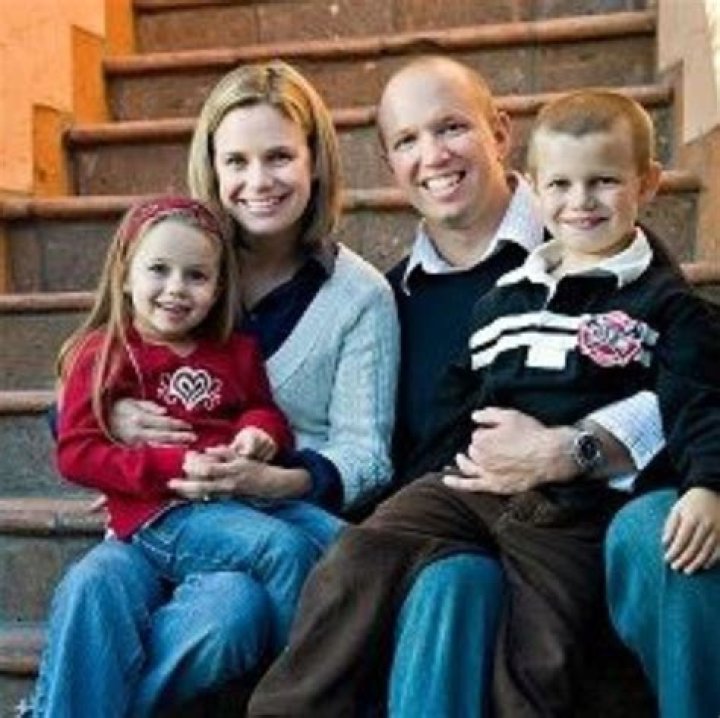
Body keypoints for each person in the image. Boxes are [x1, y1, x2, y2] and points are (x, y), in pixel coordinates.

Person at [247, 89, 720, 717]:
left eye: (603, 182)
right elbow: (455, 409)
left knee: (540, 652)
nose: (580, 201)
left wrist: (707, 484)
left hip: (574, 512)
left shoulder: (665, 304)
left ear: (648, 184)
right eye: (562, 185)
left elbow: (698, 402)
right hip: (471, 490)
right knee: (360, 553)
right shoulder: (503, 302)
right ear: (537, 190)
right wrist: (432, 485)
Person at [25, 62, 399, 718]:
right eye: (237, 161)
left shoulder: (355, 296)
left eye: (279, 156)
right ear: (212, 165)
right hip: (160, 513)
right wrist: (118, 419)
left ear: (315, 161)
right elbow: (82, 417)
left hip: (265, 508)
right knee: (94, 581)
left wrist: (271, 468)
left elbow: (360, 452)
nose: (258, 180)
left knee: (240, 607)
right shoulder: (180, 255)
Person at [378, 58, 720, 718]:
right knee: (446, 581)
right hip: (479, 512)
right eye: (407, 139)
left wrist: (576, 447)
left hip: (596, 514)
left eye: (451, 127)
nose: (434, 155)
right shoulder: (390, 298)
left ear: (500, 135)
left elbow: (689, 371)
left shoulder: (610, 250)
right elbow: (424, 445)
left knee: (654, 533)